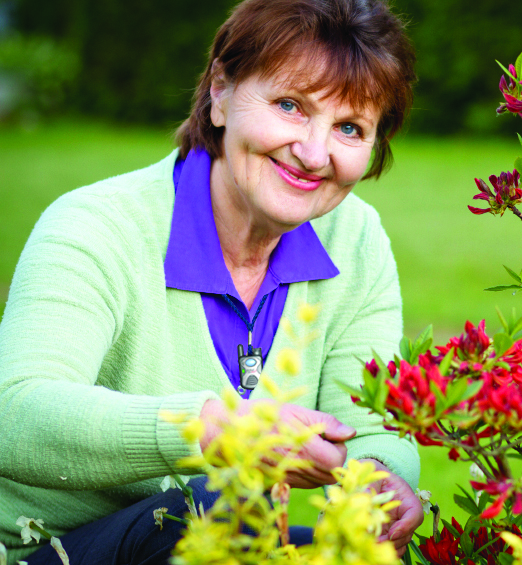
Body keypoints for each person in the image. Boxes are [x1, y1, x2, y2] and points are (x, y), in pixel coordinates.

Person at [0, 0, 422, 562]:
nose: (315, 154)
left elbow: (370, 421)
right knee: (214, 505)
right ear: (220, 92)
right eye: (291, 106)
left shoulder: (357, 239)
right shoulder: (96, 225)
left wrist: (380, 477)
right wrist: (208, 428)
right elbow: (14, 414)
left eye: (349, 127)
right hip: (43, 548)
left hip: (222, 544)